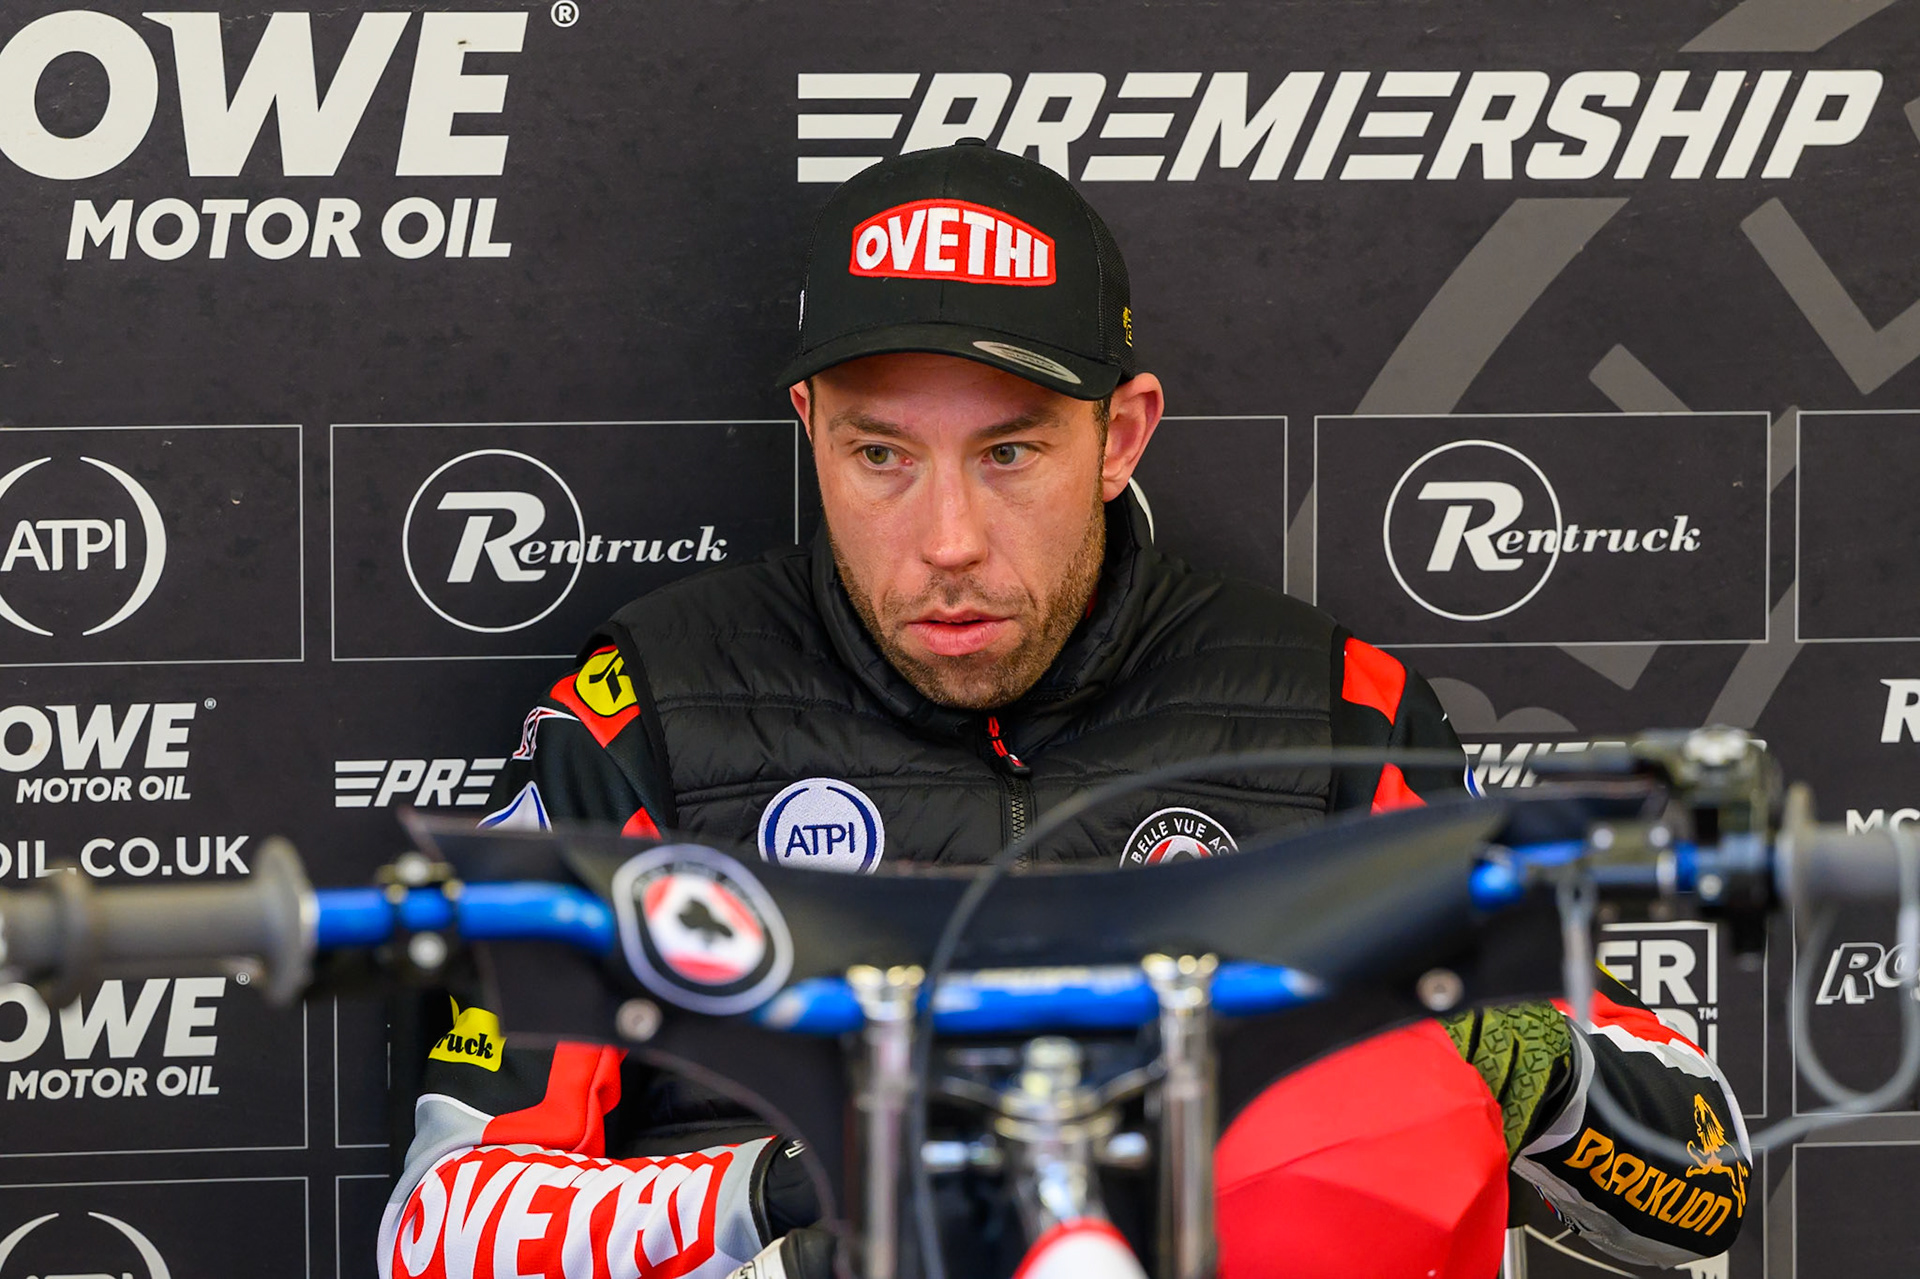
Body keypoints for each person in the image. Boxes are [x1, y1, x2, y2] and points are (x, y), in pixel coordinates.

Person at [378, 142, 1750, 1279]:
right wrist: (805, 1198)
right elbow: (441, 1233)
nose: (950, 540)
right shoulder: (641, 715)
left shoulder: (1335, 710)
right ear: (809, 428)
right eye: (879, 457)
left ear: (1124, 434)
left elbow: (1706, 1184)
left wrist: (1531, 1071)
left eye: (1012, 452)